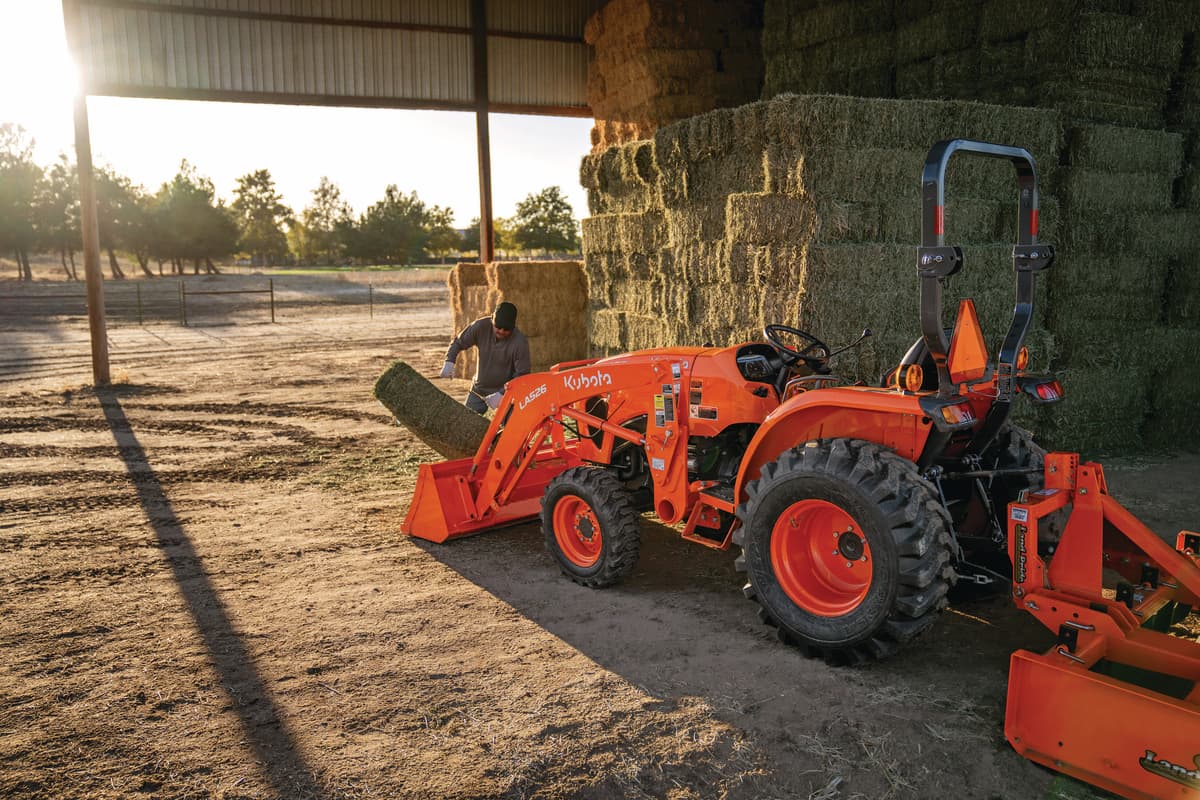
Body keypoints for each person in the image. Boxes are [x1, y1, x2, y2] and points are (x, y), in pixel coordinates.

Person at [440, 301, 531, 414]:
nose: (501, 331)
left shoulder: (520, 342)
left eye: (506, 329)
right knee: (467, 421)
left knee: (510, 425)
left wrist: (502, 393)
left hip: (506, 394)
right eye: (498, 327)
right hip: (479, 390)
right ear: (492, 318)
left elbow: (522, 375)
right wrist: (449, 361)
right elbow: (458, 342)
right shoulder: (480, 327)